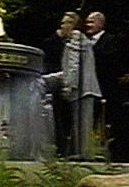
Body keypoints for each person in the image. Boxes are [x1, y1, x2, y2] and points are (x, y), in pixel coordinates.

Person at [44, 12, 102, 158]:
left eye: (64, 23)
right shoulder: (76, 39)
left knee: (83, 125)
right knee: (79, 124)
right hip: (81, 88)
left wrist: (68, 87)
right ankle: (80, 154)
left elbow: (73, 67)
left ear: (72, 25)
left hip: (83, 88)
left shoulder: (76, 37)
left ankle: (84, 156)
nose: (62, 26)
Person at [85, 11, 126, 160]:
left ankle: (111, 152)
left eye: (91, 22)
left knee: (108, 121)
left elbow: (111, 61)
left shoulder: (111, 41)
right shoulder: (84, 42)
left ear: (100, 23)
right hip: (89, 89)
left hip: (107, 89)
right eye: (87, 22)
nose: (87, 25)